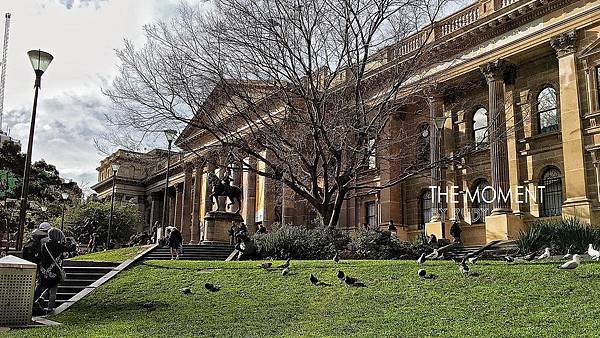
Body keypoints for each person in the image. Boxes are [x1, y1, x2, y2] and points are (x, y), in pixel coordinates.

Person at [36, 227, 76, 313]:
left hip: (44, 271)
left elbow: (41, 258)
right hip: (54, 271)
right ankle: (50, 308)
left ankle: (41, 298)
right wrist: (73, 242)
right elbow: (71, 249)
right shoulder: (59, 246)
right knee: (53, 290)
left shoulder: (44, 245)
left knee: (47, 286)